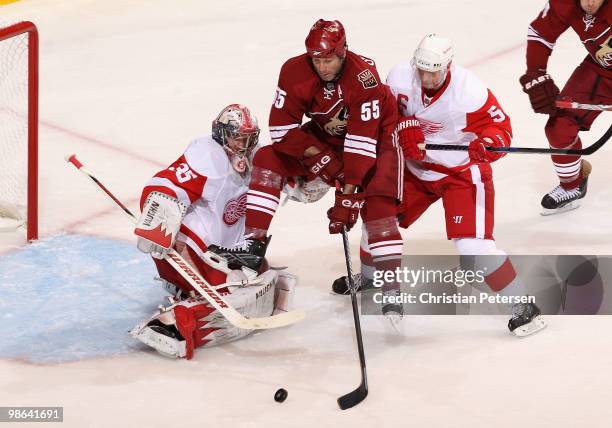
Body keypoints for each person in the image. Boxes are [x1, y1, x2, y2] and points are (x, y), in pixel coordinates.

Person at [208, 20, 404, 316]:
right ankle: (253, 244)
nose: (322, 66)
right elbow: (282, 128)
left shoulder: (365, 78)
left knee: (377, 209)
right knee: (266, 158)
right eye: (316, 60)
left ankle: (391, 290)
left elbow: (361, 143)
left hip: (377, 140)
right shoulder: (294, 70)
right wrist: (323, 159)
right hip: (326, 139)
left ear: (343, 52)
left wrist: (348, 195)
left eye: (328, 60)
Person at [380, 33, 545, 336]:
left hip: (460, 173)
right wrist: (403, 127)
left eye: (434, 71)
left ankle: (523, 306)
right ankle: (369, 276)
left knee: (473, 246)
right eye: (422, 70)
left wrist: (489, 142)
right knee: (379, 221)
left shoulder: (468, 91)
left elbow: (502, 128)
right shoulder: (399, 76)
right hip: (416, 170)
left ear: (448, 66)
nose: (427, 77)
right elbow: (381, 117)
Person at [129, 104, 297, 359]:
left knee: (255, 274)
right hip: (194, 249)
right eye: (238, 138)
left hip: (228, 250)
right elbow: (164, 184)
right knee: (235, 286)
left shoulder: (257, 156)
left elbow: (296, 183)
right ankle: (172, 325)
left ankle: (202, 292)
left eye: (249, 138)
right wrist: (157, 217)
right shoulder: (206, 156)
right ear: (221, 134)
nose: (244, 145)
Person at [520, 0, 610, 215]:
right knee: (559, 127)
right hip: (599, 72)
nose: (589, 2)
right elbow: (540, 33)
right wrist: (536, 73)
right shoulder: (564, 2)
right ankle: (572, 185)